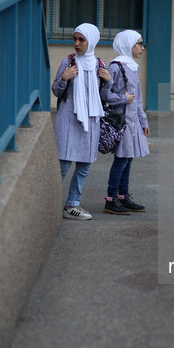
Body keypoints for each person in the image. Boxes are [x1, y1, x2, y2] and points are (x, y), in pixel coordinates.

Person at [52, 23, 111, 220]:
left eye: (81, 40)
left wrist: (108, 81)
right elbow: (56, 91)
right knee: (64, 164)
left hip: (91, 120)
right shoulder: (69, 62)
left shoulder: (100, 65)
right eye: (75, 39)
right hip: (69, 119)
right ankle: (48, 206)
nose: (76, 44)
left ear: (91, 41)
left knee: (84, 165)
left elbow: (104, 97)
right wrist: (64, 78)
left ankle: (72, 205)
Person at [100, 30, 149, 215]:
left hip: (133, 122)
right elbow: (104, 95)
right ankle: (111, 199)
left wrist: (143, 121)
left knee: (128, 159)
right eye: (139, 43)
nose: (142, 48)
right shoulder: (115, 66)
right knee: (121, 160)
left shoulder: (133, 66)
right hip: (120, 122)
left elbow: (138, 98)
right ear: (128, 44)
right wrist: (123, 98)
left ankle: (123, 196)